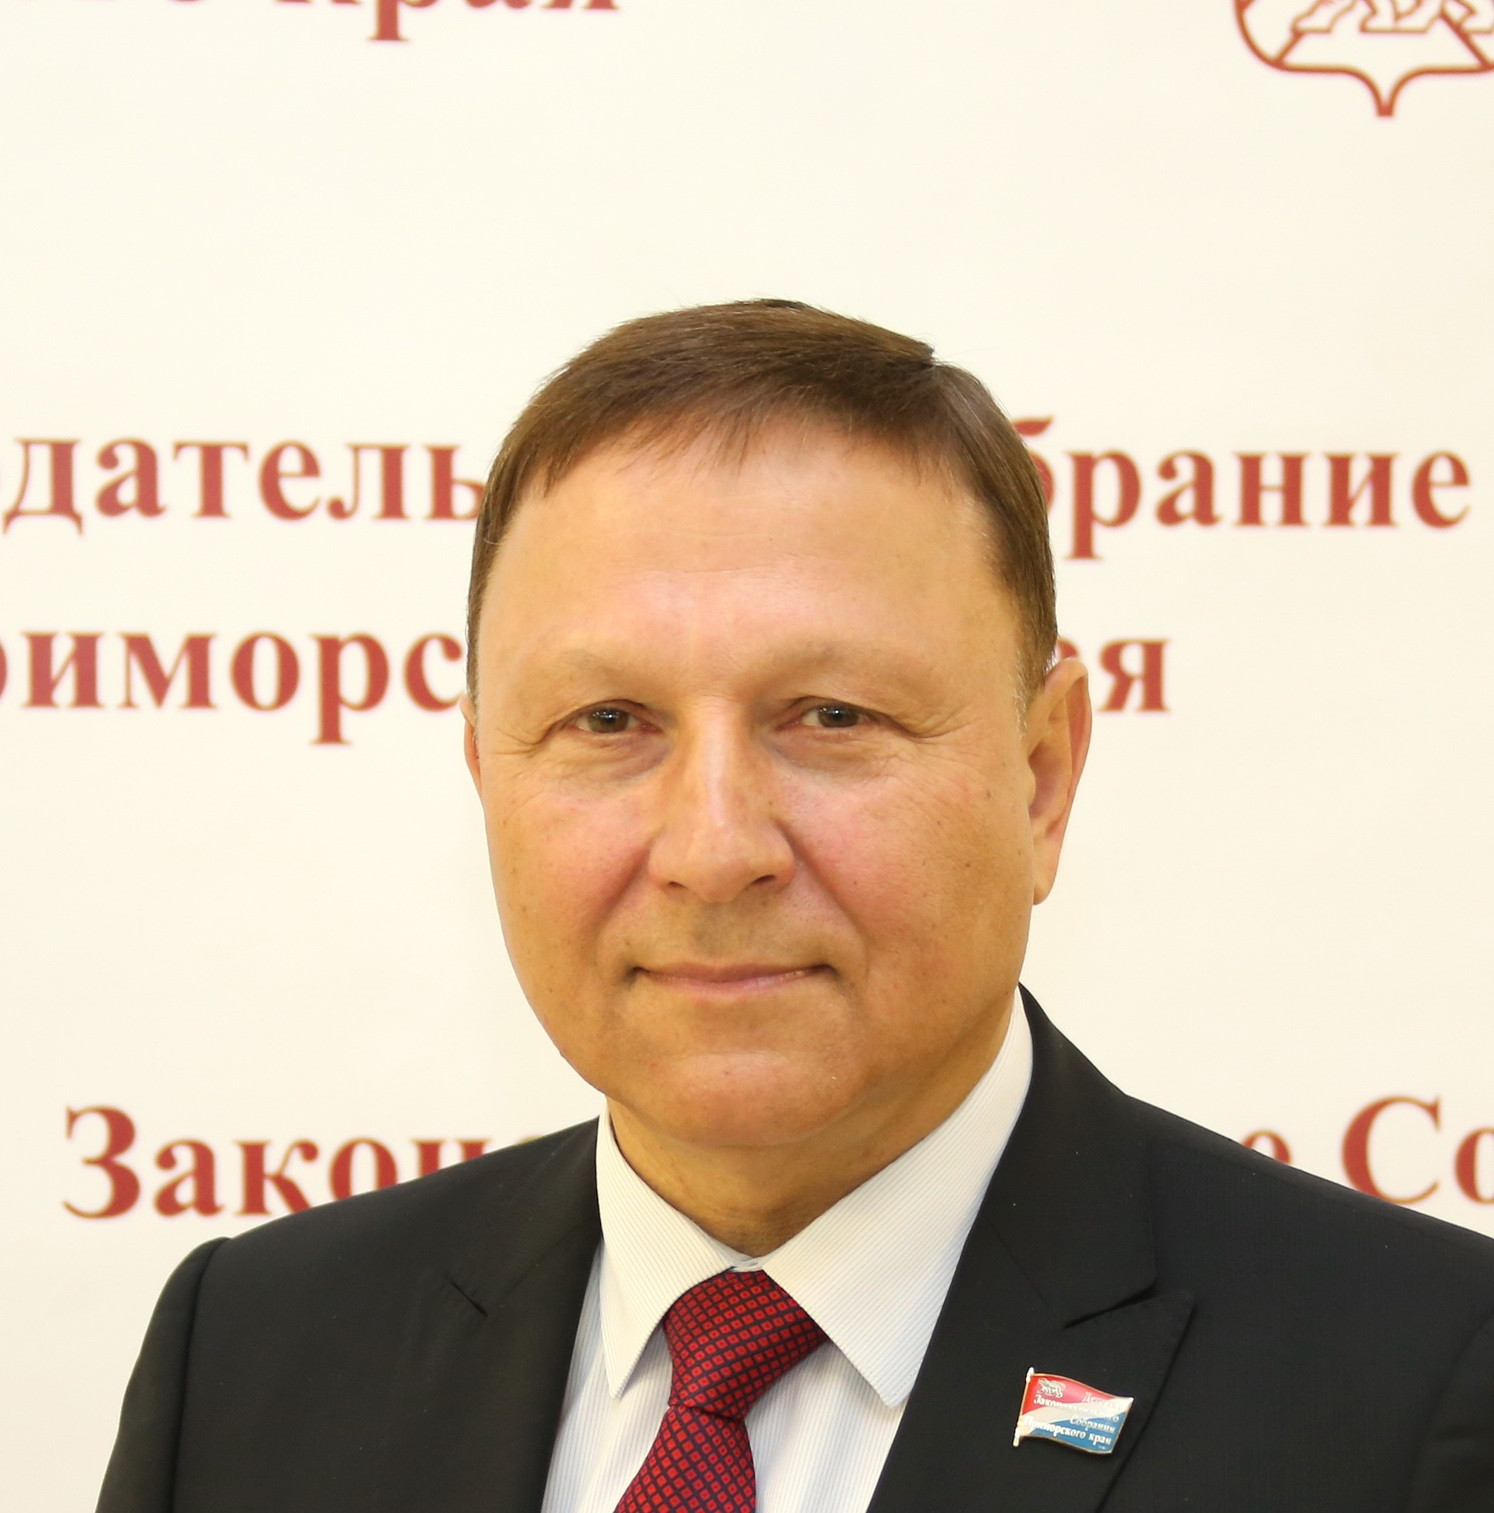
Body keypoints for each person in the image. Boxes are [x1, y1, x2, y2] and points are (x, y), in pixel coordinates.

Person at [97, 301, 1494, 1513]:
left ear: (1040, 777)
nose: (714, 849)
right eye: (607, 721)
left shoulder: (1418, 1385)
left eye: (832, 715)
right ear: (486, 776)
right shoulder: (255, 1355)